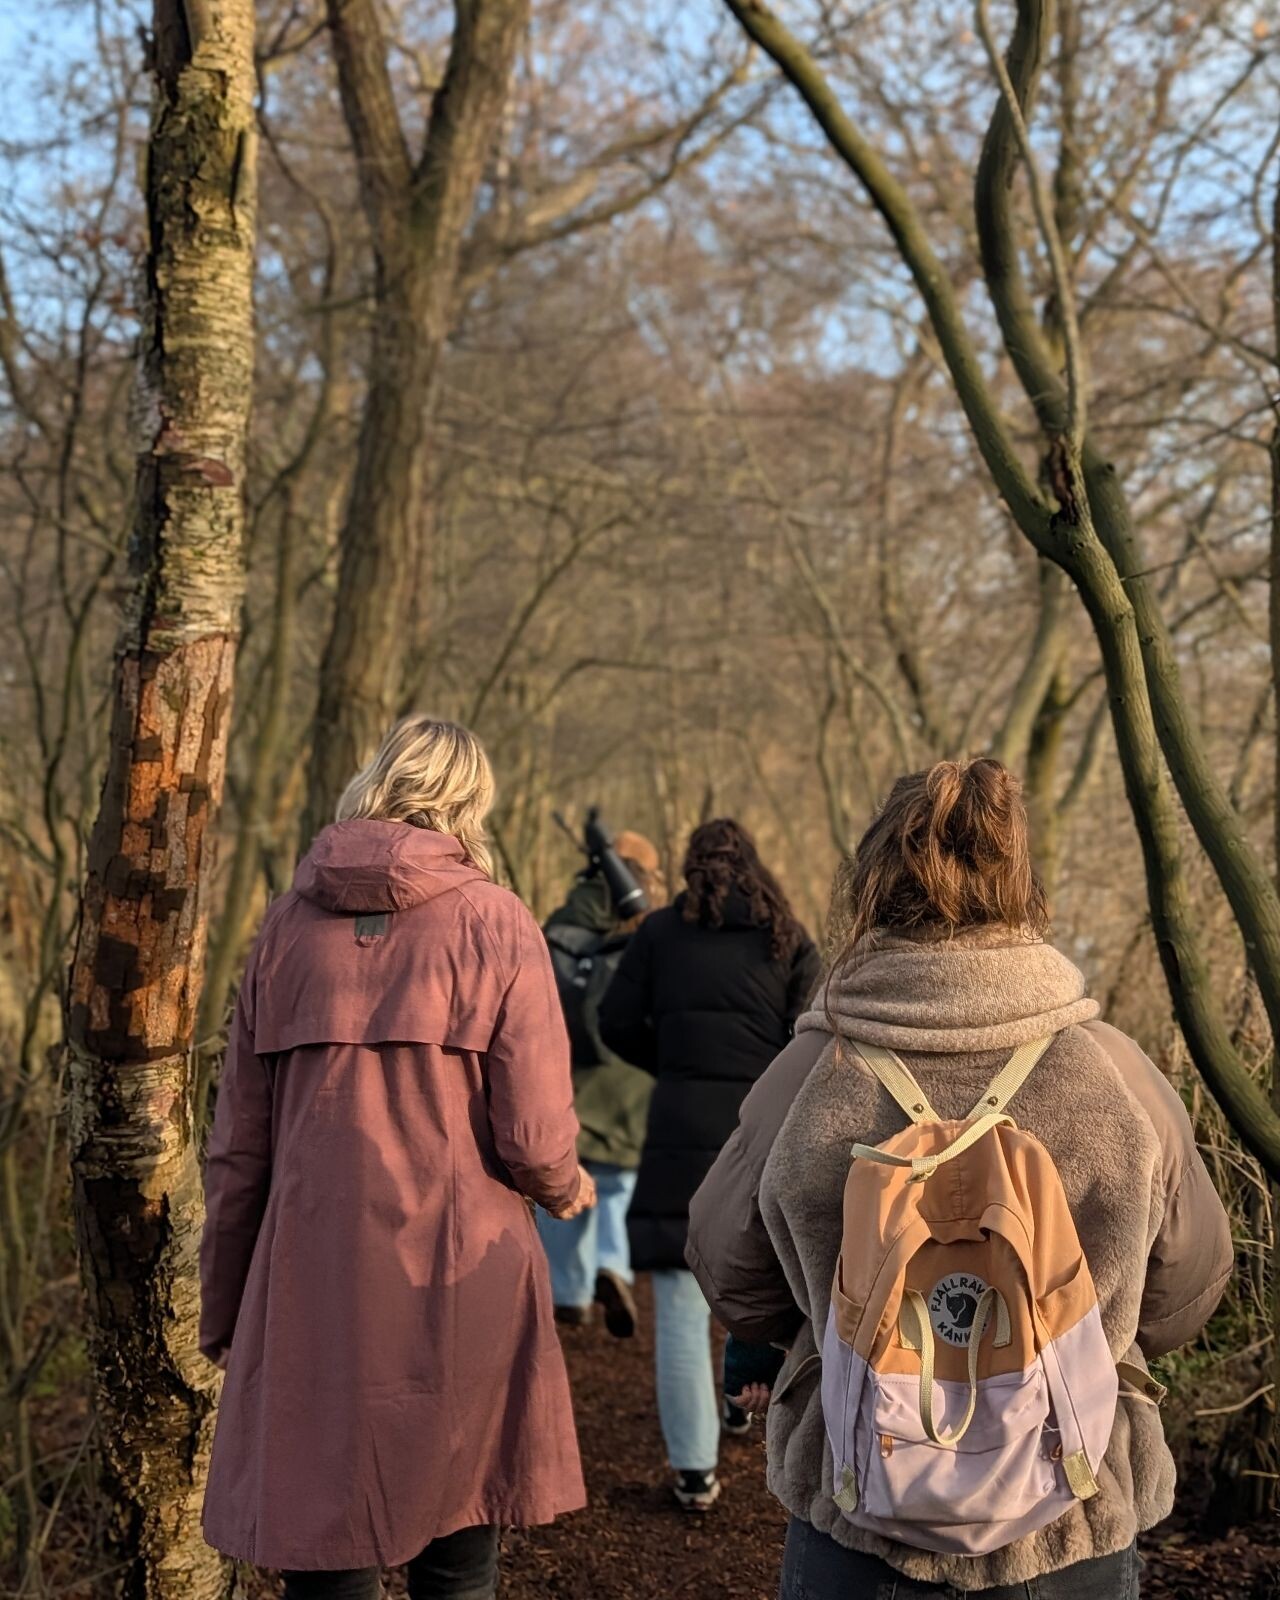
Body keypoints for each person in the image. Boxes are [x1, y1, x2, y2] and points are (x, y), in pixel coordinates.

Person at [686, 757, 1234, 1598]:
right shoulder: (1116, 1075)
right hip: (1070, 1518)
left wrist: (840, 1318)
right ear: (1022, 884)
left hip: (859, 1510)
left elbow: (730, 1271)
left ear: (872, 884)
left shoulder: (808, 1074)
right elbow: (1188, 1286)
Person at [199, 716, 596, 1599]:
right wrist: (567, 1191)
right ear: (468, 802)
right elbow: (534, 1136)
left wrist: (224, 1306)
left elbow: (237, 1150)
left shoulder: (282, 930)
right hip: (457, 1279)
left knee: (322, 1547)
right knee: (456, 1551)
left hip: (311, 1288)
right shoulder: (496, 921)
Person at [599, 818, 820, 1512]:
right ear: (755, 867)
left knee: (678, 1308)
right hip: (760, 1138)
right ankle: (744, 1395)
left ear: (690, 870)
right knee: (762, 1285)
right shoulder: (787, 939)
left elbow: (612, 1022)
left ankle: (695, 1471)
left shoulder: (659, 935)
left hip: (678, 1134)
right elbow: (812, 1038)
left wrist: (671, 1063)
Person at [539, 828, 665, 1335]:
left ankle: (567, 1290)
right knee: (617, 1184)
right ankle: (612, 1265)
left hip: (568, 1074)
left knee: (566, 1179)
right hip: (628, 1077)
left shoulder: (561, 923)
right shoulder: (647, 927)